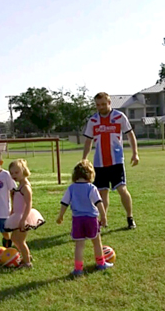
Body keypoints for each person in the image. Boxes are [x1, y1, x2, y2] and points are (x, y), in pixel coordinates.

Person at [83, 92, 139, 229]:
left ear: (109, 103)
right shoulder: (93, 120)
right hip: (99, 163)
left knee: (121, 189)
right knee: (102, 193)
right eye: (98, 105)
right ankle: (102, 221)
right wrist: (84, 159)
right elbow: (88, 141)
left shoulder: (119, 117)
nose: (100, 107)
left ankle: (130, 217)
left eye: (103, 104)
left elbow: (130, 135)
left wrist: (135, 153)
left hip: (116, 162)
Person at [57, 160, 112, 276]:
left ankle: (78, 269)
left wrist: (61, 216)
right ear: (91, 174)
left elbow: (64, 203)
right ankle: (101, 263)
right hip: (91, 219)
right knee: (97, 242)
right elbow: (99, 202)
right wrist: (104, 216)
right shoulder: (91, 188)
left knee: (79, 245)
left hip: (77, 220)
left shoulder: (71, 188)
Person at [4, 159, 45, 269]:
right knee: (14, 238)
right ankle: (26, 255)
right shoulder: (19, 185)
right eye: (11, 173)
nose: (14, 175)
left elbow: (28, 204)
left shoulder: (25, 187)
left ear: (23, 171)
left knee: (21, 240)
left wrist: (23, 219)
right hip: (17, 215)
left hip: (24, 217)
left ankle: (27, 263)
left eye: (16, 172)